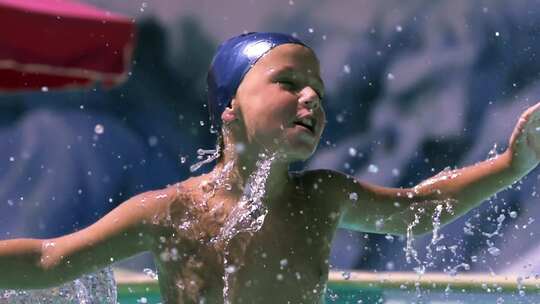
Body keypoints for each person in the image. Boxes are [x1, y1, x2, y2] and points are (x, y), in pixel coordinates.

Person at [0, 32, 539, 304]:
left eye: (320, 92)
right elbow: (52, 260)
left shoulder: (322, 198)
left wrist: (515, 163)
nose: (312, 99)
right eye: (289, 84)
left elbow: (417, 210)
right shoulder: (173, 211)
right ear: (229, 108)